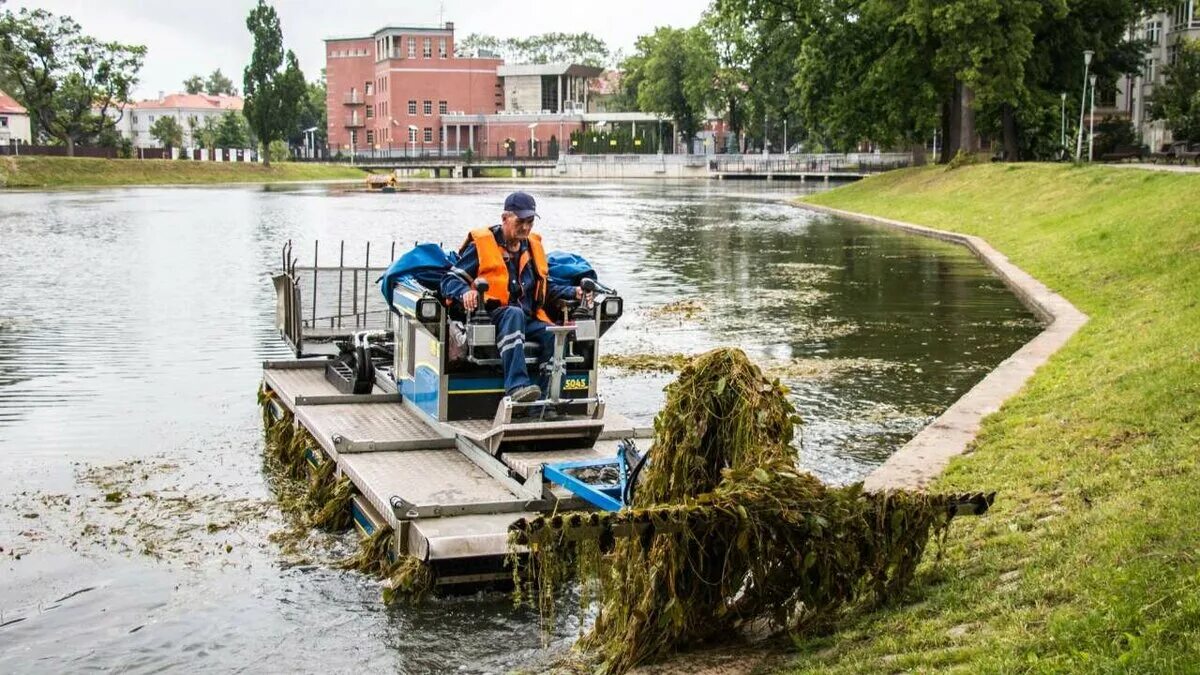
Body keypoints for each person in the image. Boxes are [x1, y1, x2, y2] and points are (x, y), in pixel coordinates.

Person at [440, 192, 584, 403]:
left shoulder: (532, 248)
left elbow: (545, 285)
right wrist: (465, 292)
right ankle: (516, 386)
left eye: (530, 222)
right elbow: (448, 280)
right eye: (520, 221)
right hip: (492, 316)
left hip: (526, 318)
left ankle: (545, 402)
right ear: (505, 218)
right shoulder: (481, 246)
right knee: (513, 314)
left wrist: (573, 292)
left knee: (553, 335)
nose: (526, 228)